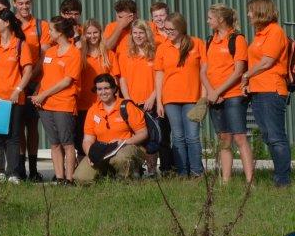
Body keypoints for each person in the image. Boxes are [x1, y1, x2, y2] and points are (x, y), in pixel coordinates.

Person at [241, 0, 292, 187]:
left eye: (250, 10)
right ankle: (279, 177)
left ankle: (283, 180)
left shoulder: (275, 32)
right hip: (258, 90)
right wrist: (249, 83)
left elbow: (267, 62)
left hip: (272, 89)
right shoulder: (260, 34)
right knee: (269, 137)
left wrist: (246, 75)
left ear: (260, 11)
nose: (248, 14)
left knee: (276, 136)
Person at [0, 8, 35, 182]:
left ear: (7, 23)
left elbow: (28, 71)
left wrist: (18, 90)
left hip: (14, 100)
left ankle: (13, 172)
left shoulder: (20, 45)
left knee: (13, 137)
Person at [204, 4, 254, 184]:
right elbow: (204, 70)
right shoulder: (210, 41)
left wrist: (218, 91)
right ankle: (226, 181)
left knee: (239, 137)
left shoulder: (237, 39)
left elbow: (238, 71)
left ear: (220, 20)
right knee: (224, 139)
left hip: (233, 95)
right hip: (215, 97)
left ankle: (250, 181)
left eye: (210, 18)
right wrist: (211, 92)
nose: (208, 21)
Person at [154, 13, 207, 177]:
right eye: (166, 29)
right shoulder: (162, 48)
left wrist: (203, 99)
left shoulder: (197, 44)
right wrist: (159, 102)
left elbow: (205, 72)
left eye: (172, 29)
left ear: (181, 28)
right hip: (170, 99)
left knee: (192, 137)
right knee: (177, 137)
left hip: (192, 98)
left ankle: (197, 172)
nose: (168, 32)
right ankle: (182, 173)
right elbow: (159, 75)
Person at [31, 17, 82, 184]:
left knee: (67, 143)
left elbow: (67, 81)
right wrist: (38, 91)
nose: (49, 33)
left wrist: (43, 95)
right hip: (46, 105)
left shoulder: (74, 53)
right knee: (54, 143)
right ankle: (59, 177)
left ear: (60, 33)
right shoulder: (50, 52)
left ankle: (69, 178)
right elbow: (46, 77)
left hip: (63, 104)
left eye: (51, 30)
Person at [74, 74, 149, 184]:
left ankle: (129, 178)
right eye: (99, 89)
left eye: (106, 88)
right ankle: (108, 175)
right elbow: (87, 139)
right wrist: (91, 154)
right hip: (103, 150)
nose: (103, 92)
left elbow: (143, 133)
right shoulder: (93, 110)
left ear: (114, 89)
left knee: (121, 159)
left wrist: (124, 142)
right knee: (81, 178)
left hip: (126, 146)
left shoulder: (127, 106)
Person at [11, 0, 49, 180]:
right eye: (20, 3)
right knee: (17, 126)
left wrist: (30, 75)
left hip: (34, 82)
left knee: (32, 126)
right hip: (14, 83)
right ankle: (20, 168)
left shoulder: (41, 25)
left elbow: (44, 55)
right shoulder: (11, 24)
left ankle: (33, 169)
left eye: (27, 3)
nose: (24, 6)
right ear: (14, 4)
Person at [117, 20, 160, 176]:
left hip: (150, 103)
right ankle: (136, 170)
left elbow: (160, 78)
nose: (138, 36)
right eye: (135, 33)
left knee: (152, 138)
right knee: (135, 138)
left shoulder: (155, 53)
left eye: (141, 32)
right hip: (132, 104)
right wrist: (128, 101)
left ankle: (152, 171)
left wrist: (152, 98)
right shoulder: (125, 54)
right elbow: (122, 80)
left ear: (147, 33)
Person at [75, 19, 111, 155]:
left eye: (95, 32)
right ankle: (84, 164)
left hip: (104, 105)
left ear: (100, 33)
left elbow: (115, 80)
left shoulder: (108, 54)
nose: (92, 36)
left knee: (104, 137)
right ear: (84, 35)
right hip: (83, 104)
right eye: (88, 33)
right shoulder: (79, 54)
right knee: (82, 140)